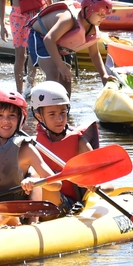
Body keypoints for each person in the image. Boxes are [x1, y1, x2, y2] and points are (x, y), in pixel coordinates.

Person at [0, 87, 62, 232]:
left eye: (12, 116)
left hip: (14, 213)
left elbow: (57, 184)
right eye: (0, 115)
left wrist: (35, 182)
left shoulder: (26, 149)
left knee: (32, 176)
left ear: (20, 119)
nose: (6, 121)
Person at [28, 0, 113, 94]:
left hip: (61, 45)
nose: (103, 18)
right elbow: (48, 40)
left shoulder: (92, 28)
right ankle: (42, 105)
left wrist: (103, 75)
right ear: (87, 10)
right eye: (100, 14)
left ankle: (65, 109)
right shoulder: (69, 19)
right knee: (54, 74)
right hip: (41, 36)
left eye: (105, 15)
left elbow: (94, 53)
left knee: (66, 83)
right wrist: (61, 66)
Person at [30, 81, 94, 214]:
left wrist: (97, 184)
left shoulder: (79, 143)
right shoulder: (33, 144)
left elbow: (106, 183)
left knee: (47, 186)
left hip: (69, 205)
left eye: (63, 113)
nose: (59, 119)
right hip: (37, 203)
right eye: (52, 114)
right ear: (39, 117)